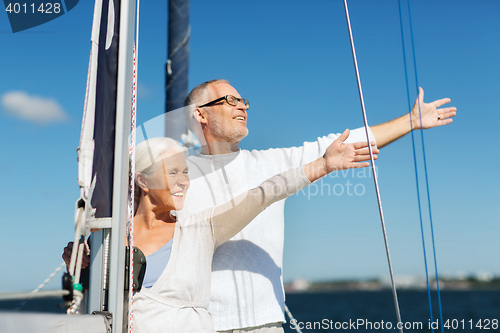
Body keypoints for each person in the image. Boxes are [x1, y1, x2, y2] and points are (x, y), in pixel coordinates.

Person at [181, 79, 456, 332]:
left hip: (264, 324)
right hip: (199, 324)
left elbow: (339, 144)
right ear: (200, 114)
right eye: (229, 100)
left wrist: (411, 120)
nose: (241, 105)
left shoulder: (268, 163)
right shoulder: (176, 175)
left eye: (243, 101)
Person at [63, 135, 379, 332]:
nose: (183, 180)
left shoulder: (200, 229)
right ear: (143, 182)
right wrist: (78, 271)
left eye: (186, 172)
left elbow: (262, 194)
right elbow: (90, 303)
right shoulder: (112, 239)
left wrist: (322, 165)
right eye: (172, 171)